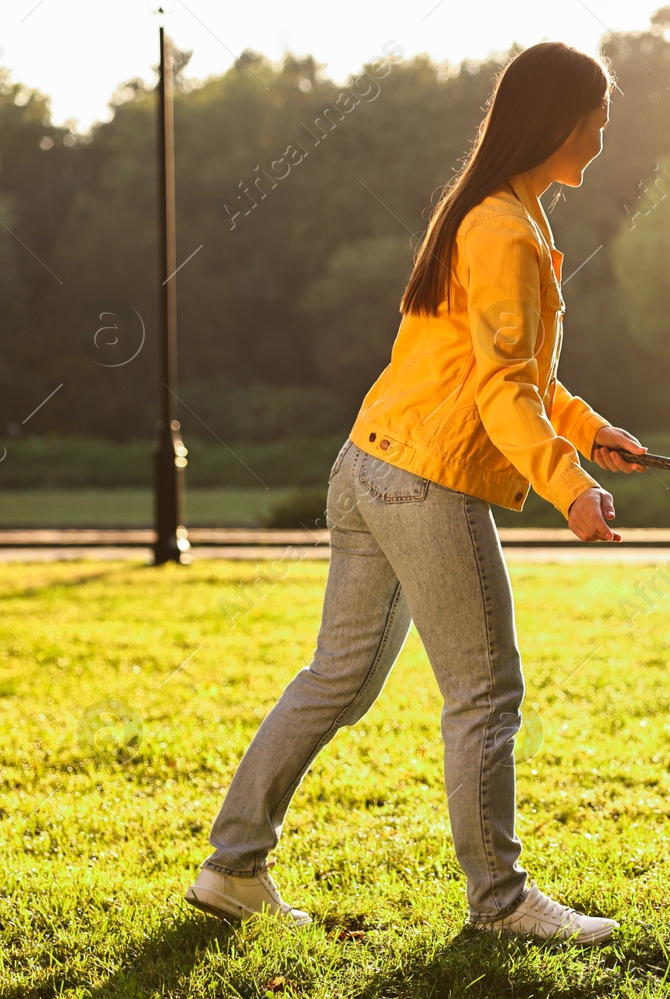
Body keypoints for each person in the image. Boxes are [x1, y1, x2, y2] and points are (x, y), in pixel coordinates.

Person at [185, 43, 645, 944]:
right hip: (424, 482)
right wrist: (568, 484)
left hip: (368, 466)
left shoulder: (492, 213)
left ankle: (231, 867)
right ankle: (503, 901)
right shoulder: (505, 228)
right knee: (484, 692)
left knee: (338, 680)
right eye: (595, 119)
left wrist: (587, 430)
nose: (601, 135)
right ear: (555, 120)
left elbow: (504, 367)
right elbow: (501, 388)